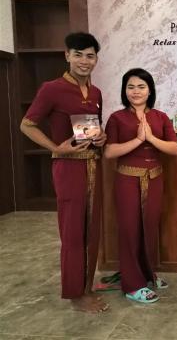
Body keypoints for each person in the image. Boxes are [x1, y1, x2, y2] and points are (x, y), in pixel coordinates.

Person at [20, 32, 109, 313]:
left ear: (96, 59)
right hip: (68, 168)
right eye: (78, 54)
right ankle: (75, 295)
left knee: (92, 230)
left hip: (94, 164)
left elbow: (94, 129)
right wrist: (56, 148)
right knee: (73, 232)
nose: (85, 61)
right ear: (67, 55)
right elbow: (27, 125)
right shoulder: (52, 88)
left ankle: (86, 285)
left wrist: (102, 138)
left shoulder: (95, 92)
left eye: (90, 55)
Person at [104, 68, 177, 303]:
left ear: (150, 90)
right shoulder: (117, 118)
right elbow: (109, 152)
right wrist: (137, 139)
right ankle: (132, 285)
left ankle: (146, 273)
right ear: (124, 91)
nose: (135, 91)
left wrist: (151, 138)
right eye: (130, 87)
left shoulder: (160, 117)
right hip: (127, 179)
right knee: (129, 229)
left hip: (155, 178)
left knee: (149, 227)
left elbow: (175, 149)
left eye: (141, 87)